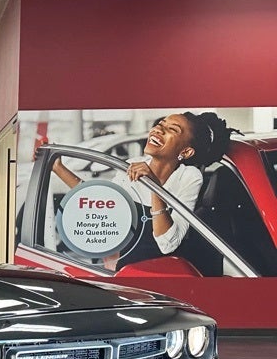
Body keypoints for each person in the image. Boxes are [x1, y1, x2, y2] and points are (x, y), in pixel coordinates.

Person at [51, 111, 233, 269]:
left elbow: (167, 244)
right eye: (161, 124)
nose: (158, 129)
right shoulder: (132, 165)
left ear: (185, 152)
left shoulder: (189, 177)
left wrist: (153, 185)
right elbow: (100, 201)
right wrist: (58, 167)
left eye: (172, 129)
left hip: (163, 271)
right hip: (127, 268)